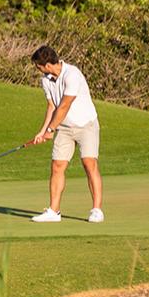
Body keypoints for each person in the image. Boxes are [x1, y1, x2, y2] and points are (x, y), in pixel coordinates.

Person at [27, 45, 103, 224]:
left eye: (38, 66)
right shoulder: (45, 80)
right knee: (57, 166)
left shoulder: (72, 74)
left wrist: (51, 130)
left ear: (46, 64)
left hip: (86, 124)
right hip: (64, 127)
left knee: (89, 163)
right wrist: (43, 130)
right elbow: (52, 106)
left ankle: (97, 210)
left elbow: (64, 105)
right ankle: (54, 211)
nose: (37, 69)